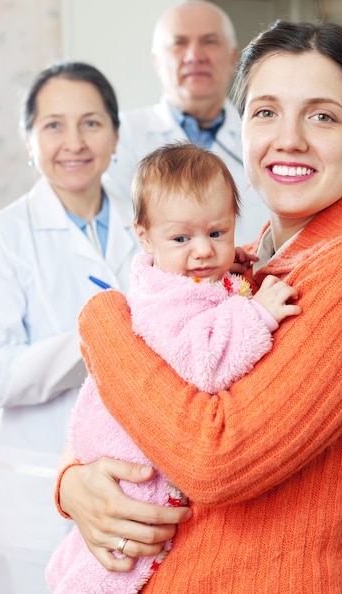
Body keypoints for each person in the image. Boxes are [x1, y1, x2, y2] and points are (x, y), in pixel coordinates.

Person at [58, 20, 342, 592]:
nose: (289, 139)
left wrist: (102, 323)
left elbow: (215, 459)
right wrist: (71, 483)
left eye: (323, 115)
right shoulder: (239, 266)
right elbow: (122, 415)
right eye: (265, 112)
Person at [46, 142, 301, 593]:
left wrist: (234, 274)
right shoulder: (165, 298)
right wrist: (256, 312)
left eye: (217, 233)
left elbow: (214, 293)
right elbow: (203, 363)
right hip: (131, 457)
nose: (202, 251)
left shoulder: (191, 276)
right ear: (144, 237)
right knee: (120, 561)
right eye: (181, 239)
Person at [0, 62, 139, 594]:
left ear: (116, 133)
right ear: (28, 139)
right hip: (38, 475)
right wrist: (98, 341)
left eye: (91, 122)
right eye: (53, 125)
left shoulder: (153, 221)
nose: (73, 142)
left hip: (139, 468)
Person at [106, 0, 269, 244]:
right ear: (157, 61)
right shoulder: (120, 135)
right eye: (178, 43)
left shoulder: (265, 133)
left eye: (209, 42)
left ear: (233, 57)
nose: (194, 55)